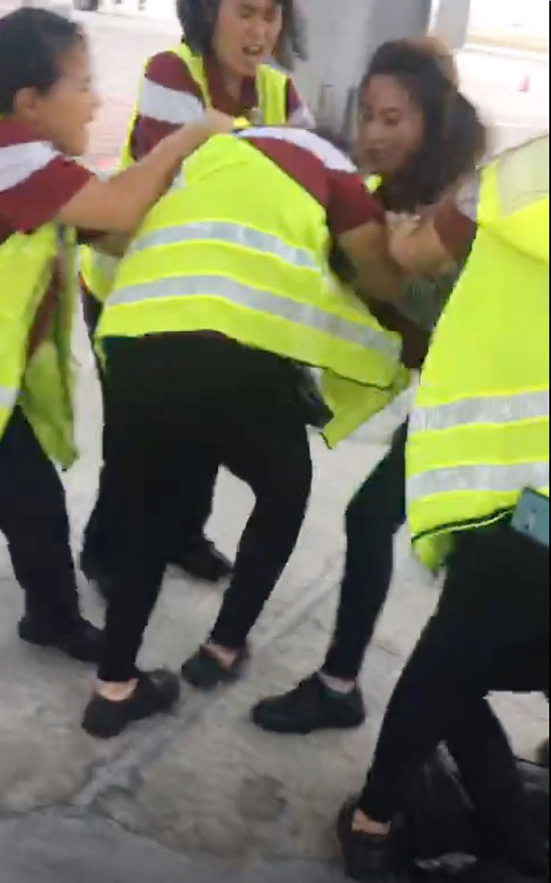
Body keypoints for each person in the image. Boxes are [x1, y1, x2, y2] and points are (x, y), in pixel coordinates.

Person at [82, 123, 411, 738]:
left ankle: (113, 689)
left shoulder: (208, 155)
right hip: (232, 344)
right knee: (285, 490)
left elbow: (110, 238)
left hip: (135, 333)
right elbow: (382, 277)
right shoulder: (332, 167)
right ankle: (222, 649)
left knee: (150, 514)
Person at [0, 7, 232, 657]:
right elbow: (117, 208)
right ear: (30, 102)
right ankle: (51, 621)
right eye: (84, 85)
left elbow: (112, 228)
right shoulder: (0, 153)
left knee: (28, 507)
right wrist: (188, 137)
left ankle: (51, 617)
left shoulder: (11, 155)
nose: (95, 104)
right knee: (7, 517)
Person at [251, 36, 487, 734]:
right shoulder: (388, 200)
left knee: (481, 569)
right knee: (403, 532)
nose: (374, 134)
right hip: (456, 399)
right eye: (368, 116)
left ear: (433, 123)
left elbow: (428, 304)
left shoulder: (461, 202)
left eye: (394, 118)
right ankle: (340, 684)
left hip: (494, 405)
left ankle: (342, 688)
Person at [338, 133, 548, 883]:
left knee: (449, 669)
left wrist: (392, 221)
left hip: (520, 498)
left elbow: (415, 254)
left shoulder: (527, 171)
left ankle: (376, 826)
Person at [79, 0, 314, 592]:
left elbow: (314, 179)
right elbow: (197, 184)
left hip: (213, 295)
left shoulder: (281, 92)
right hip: (131, 288)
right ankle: (107, 551)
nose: (259, 31)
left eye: (271, 16)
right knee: (136, 433)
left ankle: (183, 535)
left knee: (201, 427)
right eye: (245, 13)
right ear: (209, 12)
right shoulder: (171, 73)